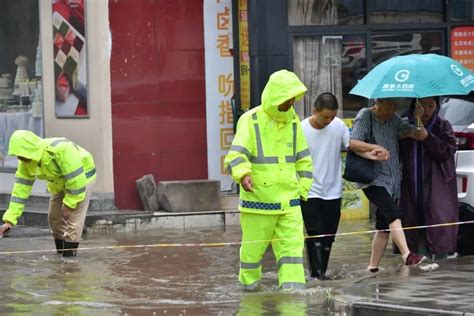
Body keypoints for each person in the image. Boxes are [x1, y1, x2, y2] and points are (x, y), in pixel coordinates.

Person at [224, 69, 313, 291]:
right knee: (252, 254)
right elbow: (236, 154)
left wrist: (303, 189)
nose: (291, 102)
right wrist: (243, 174)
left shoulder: (293, 120)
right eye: (288, 97)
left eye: (293, 97)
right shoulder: (250, 120)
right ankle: (249, 293)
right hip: (258, 202)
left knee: (293, 253)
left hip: (289, 202)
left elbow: (303, 158)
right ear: (276, 96)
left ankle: (294, 299)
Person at [301, 92, 389, 280]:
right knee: (315, 233)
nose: (328, 121)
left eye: (332, 116)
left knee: (329, 235)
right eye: (324, 116)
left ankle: (321, 272)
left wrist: (373, 151)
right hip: (308, 190)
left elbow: (351, 144)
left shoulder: (338, 126)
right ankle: (317, 276)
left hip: (333, 191)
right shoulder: (300, 130)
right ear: (314, 110)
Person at [350, 98, 426, 272]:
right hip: (372, 179)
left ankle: (372, 267)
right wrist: (375, 147)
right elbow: (352, 142)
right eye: (389, 106)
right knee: (393, 213)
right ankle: (407, 255)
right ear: (378, 102)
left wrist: (419, 118)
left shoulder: (394, 119)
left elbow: (418, 134)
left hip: (392, 181)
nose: (392, 110)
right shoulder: (365, 116)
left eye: (395, 106)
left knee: (383, 225)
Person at [0, 130, 96, 257]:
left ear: (31, 151)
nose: (20, 159)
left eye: (22, 156)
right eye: (18, 156)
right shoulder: (26, 163)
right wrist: (9, 221)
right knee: (54, 218)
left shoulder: (62, 151)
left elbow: (76, 181)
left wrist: (69, 204)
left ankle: (69, 262)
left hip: (82, 177)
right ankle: (60, 255)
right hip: (59, 183)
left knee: (73, 221)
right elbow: (19, 193)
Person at [399, 97, 458, 259]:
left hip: (436, 189)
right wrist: (404, 136)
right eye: (421, 105)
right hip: (411, 188)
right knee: (413, 231)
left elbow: (446, 153)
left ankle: (440, 273)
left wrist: (427, 138)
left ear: (437, 106)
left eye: (430, 105)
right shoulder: (404, 125)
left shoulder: (442, 126)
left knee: (438, 228)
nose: (426, 110)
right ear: (414, 106)